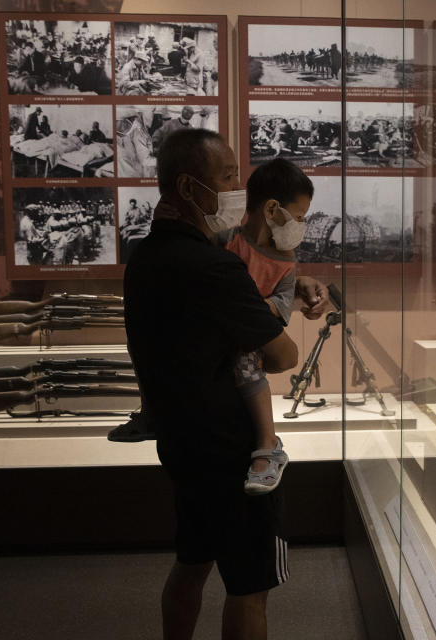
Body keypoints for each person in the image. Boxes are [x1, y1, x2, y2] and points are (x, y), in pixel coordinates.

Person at [124, 128, 298, 640]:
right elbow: (283, 355)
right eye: (225, 177)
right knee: (249, 587)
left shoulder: (145, 258)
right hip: (232, 453)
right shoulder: (213, 268)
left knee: (193, 562)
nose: (235, 186)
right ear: (188, 186)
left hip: (182, 444)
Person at [218, 159, 314, 494]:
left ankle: (268, 444)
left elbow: (282, 303)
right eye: (299, 217)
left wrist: (254, 309)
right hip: (221, 334)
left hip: (251, 335)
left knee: (247, 369)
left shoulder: (286, 260)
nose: (301, 225)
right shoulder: (228, 240)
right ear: (272, 208)